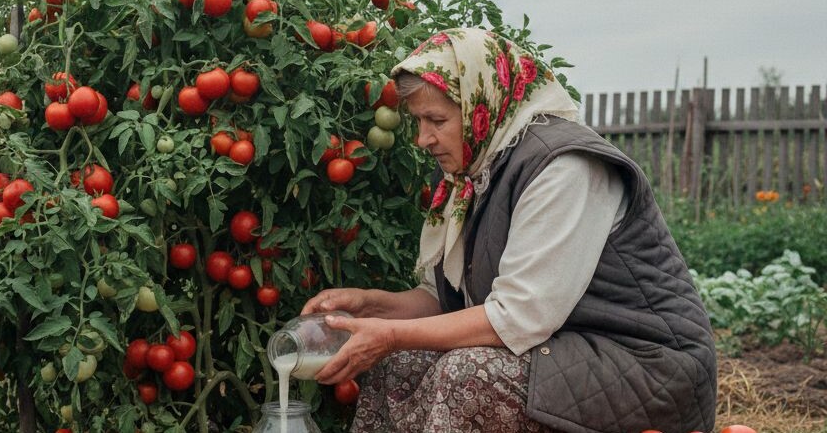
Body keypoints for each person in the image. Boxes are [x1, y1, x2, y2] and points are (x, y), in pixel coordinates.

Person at [302, 28, 717, 433]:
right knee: (398, 364)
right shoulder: (477, 172)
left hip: (646, 365)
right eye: (418, 121)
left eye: (436, 120)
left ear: (483, 104)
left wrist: (390, 334)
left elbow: (518, 317)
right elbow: (442, 300)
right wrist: (369, 307)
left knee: (468, 373)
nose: (423, 138)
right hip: (564, 352)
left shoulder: (565, 167)